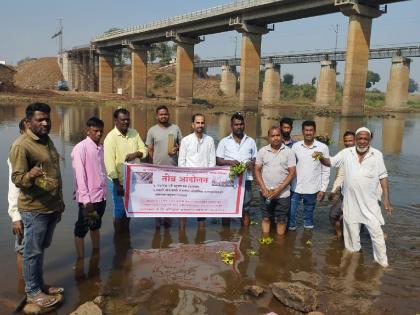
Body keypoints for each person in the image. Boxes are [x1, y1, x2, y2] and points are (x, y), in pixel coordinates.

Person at [9, 103, 64, 308]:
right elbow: (17, 179)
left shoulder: (46, 139)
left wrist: (60, 203)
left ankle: (40, 284)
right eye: (40, 119)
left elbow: (54, 173)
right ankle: (32, 292)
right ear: (29, 121)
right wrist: (29, 175)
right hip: (34, 209)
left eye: (47, 119)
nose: (45, 123)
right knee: (32, 251)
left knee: (40, 249)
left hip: (51, 206)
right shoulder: (21, 145)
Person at [313, 127, 393, 267]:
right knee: (352, 234)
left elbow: (383, 176)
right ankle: (352, 262)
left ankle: (383, 264)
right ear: (355, 139)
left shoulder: (377, 154)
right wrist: (320, 157)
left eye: (365, 139)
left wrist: (386, 198)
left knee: (377, 234)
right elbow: (330, 162)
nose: (362, 141)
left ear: (370, 140)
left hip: (370, 203)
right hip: (350, 202)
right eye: (359, 138)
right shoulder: (346, 153)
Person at [104, 108, 147, 233]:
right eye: (123, 120)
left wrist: (136, 154)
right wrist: (117, 184)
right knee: (119, 211)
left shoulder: (134, 133)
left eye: (128, 119)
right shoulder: (110, 138)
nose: (126, 122)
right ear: (116, 121)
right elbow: (109, 164)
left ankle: (125, 233)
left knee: (128, 209)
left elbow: (144, 150)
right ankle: (118, 238)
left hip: (133, 180)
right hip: (118, 181)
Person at [71, 117, 107, 259]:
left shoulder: (101, 148)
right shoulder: (81, 148)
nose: (98, 134)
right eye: (95, 131)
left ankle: (96, 254)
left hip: (101, 197)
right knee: (81, 229)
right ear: (88, 131)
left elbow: (101, 171)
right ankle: (80, 260)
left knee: (96, 225)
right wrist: (86, 201)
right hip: (89, 200)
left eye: (101, 131)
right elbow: (80, 175)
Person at [216, 112, 257, 227]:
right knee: (226, 208)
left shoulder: (251, 141)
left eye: (241, 124)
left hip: (246, 180)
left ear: (244, 125)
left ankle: (245, 236)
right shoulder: (224, 141)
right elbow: (218, 160)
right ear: (231, 126)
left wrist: (251, 163)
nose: (239, 127)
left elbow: (255, 158)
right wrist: (230, 162)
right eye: (236, 124)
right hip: (229, 180)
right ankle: (225, 234)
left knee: (246, 208)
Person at [255, 126, 296, 236]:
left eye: (278, 135)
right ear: (268, 137)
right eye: (272, 136)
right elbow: (257, 170)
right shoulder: (262, 151)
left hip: (283, 194)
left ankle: (279, 244)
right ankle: (265, 241)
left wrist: (279, 189)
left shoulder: (289, 152)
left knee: (281, 220)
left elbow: (292, 172)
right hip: (265, 193)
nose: (276, 138)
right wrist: (263, 188)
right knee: (266, 217)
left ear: (282, 136)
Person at [146, 105, 182, 228]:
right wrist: (152, 166)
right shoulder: (152, 130)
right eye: (161, 114)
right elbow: (149, 149)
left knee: (170, 197)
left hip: (173, 169)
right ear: (157, 116)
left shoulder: (175, 128)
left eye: (165, 114)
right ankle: (157, 222)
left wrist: (177, 148)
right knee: (157, 196)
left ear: (169, 115)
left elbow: (183, 146)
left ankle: (167, 221)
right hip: (157, 170)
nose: (163, 116)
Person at [289, 120, 330, 230]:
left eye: (311, 130)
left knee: (308, 218)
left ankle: (307, 240)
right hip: (295, 187)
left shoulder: (322, 148)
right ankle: (290, 239)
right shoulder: (295, 147)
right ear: (302, 131)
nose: (308, 133)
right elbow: (290, 166)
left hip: (312, 189)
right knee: (291, 216)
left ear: (315, 132)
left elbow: (325, 170)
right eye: (306, 130)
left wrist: (322, 190)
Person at [178, 113, 216, 230]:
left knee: (201, 209)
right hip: (188, 181)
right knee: (184, 209)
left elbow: (212, 162)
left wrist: (206, 178)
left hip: (204, 181)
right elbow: (181, 162)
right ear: (193, 125)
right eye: (198, 123)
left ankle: (201, 235)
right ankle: (182, 235)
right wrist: (188, 178)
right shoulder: (186, 140)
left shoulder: (209, 140)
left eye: (202, 122)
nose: (200, 125)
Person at [7, 118, 27, 281]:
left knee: (34, 248)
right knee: (22, 248)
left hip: (35, 208)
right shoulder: (17, 150)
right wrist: (15, 216)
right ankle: (23, 284)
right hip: (22, 209)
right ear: (22, 131)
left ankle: (32, 282)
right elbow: (13, 186)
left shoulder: (35, 148)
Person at [328, 131, 355, 238]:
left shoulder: (367, 155)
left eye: (350, 141)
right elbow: (341, 175)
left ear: (356, 141)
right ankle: (339, 235)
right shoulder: (344, 155)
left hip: (361, 195)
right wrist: (333, 191)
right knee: (333, 215)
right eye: (346, 141)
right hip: (346, 193)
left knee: (355, 220)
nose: (348, 143)